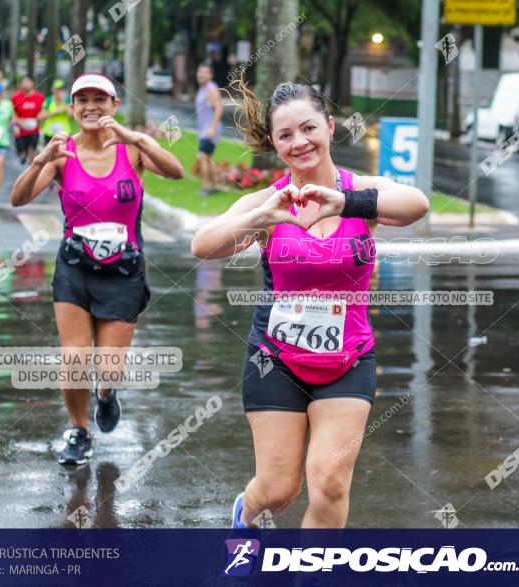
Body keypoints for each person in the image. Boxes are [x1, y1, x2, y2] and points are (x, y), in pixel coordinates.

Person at [190, 78, 429, 528]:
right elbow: (201, 246)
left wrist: (346, 203)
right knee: (279, 488)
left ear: (330, 126)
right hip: (274, 360)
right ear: (274, 144)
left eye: (308, 128)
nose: (299, 142)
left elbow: (417, 204)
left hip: (348, 359)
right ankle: (248, 513)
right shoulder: (267, 202)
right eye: (285, 135)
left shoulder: (359, 195)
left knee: (331, 484)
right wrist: (263, 216)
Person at [10, 74, 183, 466]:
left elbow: (175, 172)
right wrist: (41, 157)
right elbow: (18, 198)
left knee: (109, 368)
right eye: (82, 99)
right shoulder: (62, 154)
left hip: (123, 271)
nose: (91, 106)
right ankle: (78, 430)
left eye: (100, 99)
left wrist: (135, 137)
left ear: (114, 105)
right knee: (73, 358)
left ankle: (106, 394)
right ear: (72, 108)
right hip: (75, 268)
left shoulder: (132, 151)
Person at [194, 63, 223, 196]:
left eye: (205, 72)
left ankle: (205, 187)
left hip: (210, 130)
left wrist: (212, 128)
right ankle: (214, 186)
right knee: (208, 158)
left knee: (202, 156)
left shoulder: (211, 88)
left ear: (210, 75)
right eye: (200, 72)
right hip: (204, 130)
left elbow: (219, 108)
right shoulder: (203, 88)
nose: (201, 75)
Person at [11, 76, 45, 164]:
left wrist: (39, 117)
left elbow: (43, 110)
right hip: (20, 129)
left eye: (28, 82)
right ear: (21, 84)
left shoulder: (39, 97)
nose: (26, 84)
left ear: (32, 84)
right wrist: (17, 122)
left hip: (34, 129)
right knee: (20, 151)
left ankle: (31, 168)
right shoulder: (15, 97)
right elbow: (12, 113)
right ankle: (23, 154)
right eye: (24, 82)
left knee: (32, 152)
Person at [39, 79, 71, 145]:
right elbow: (41, 116)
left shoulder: (67, 100)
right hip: (49, 133)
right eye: (58, 89)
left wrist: (63, 101)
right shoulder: (48, 100)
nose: (59, 91)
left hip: (63, 133)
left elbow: (70, 115)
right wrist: (56, 112)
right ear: (53, 89)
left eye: (61, 89)